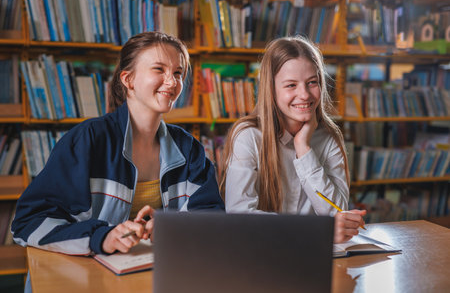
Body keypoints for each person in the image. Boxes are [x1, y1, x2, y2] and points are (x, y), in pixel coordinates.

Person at [12, 31, 224, 257]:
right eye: (159, 69)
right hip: (86, 276)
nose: (172, 82)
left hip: (156, 273)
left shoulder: (189, 148)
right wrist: (101, 236)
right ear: (128, 79)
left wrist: (171, 225)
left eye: (178, 73)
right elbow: (28, 223)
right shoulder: (88, 139)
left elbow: (213, 219)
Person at [220, 36, 365, 243]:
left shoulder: (329, 138)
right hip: (263, 252)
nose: (304, 94)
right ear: (271, 89)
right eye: (291, 85)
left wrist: (303, 148)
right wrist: (312, 230)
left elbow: (337, 212)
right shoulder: (248, 137)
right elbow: (240, 216)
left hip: (318, 256)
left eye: (312, 83)